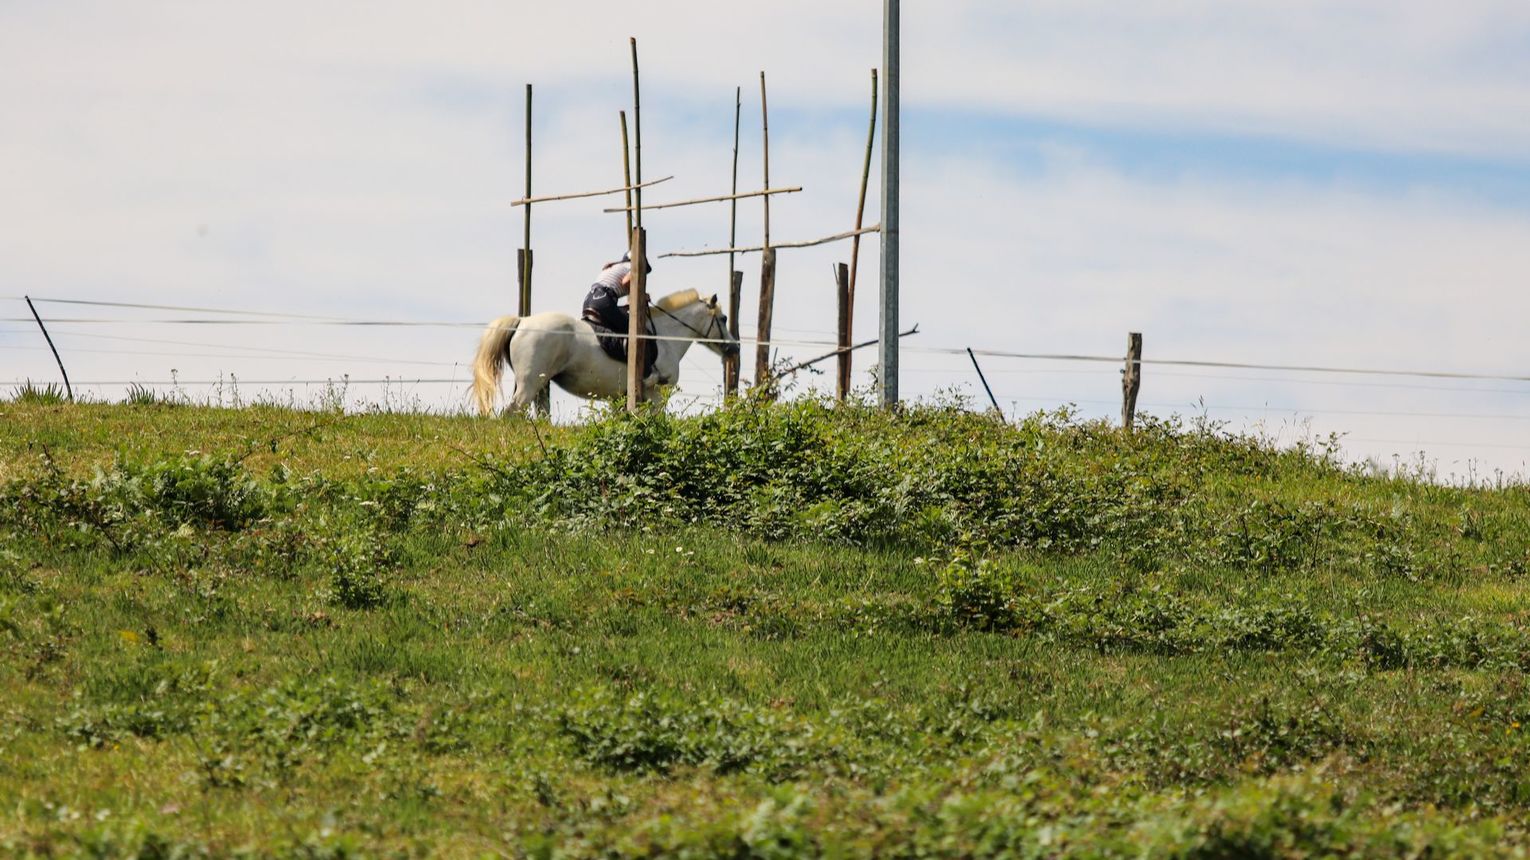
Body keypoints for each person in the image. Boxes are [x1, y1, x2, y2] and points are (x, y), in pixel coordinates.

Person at [581, 250, 656, 378]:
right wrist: (642, 295)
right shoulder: (633, 267)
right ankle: (643, 375)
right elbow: (626, 282)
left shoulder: (615, 267)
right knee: (636, 331)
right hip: (604, 300)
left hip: (590, 300)